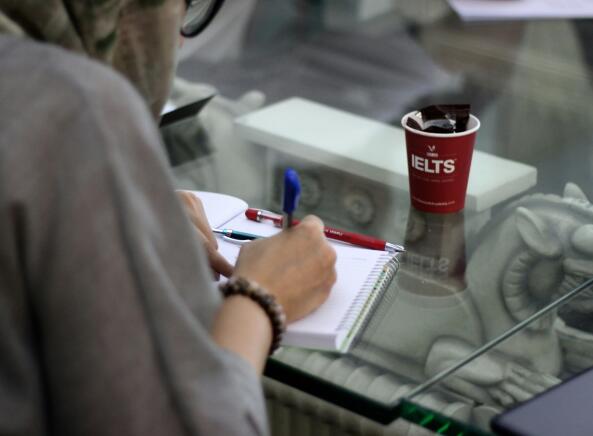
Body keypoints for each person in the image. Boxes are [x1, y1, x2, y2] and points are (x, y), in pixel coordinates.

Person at [0, 1, 336, 435]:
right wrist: (261, 298)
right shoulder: (74, 105)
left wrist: (108, 200)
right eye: (184, 5)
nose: (178, 40)